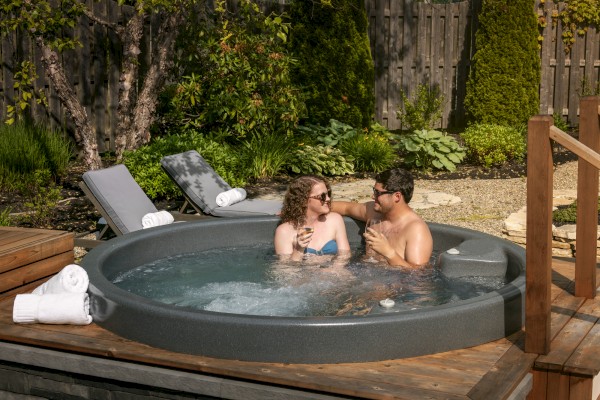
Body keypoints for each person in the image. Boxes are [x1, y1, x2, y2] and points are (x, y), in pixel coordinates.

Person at [331, 168, 433, 268]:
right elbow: (345, 208)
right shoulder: (373, 212)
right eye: (374, 191)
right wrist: (317, 206)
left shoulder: (416, 229)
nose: (372, 196)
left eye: (378, 193)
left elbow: (418, 275)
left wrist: (389, 252)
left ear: (397, 196)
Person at [275, 175, 351, 261]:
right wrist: (298, 250)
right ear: (304, 200)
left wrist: (334, 270)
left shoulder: (335, 220)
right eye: (322, 196)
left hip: (335, 271)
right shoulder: (284, 231)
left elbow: (345, 255)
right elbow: (285, 270)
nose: (328, 199)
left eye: (328, 194)